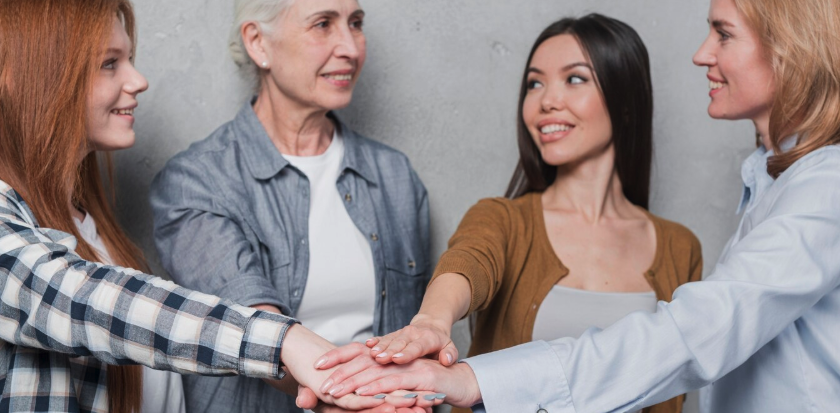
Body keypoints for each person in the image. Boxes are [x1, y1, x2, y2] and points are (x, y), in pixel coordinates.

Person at [309, 0, 840, 411]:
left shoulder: (814, 192)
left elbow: (692, 338)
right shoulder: (769, 183)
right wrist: (430, 323)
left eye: (723, 34)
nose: (702, 53)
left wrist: (473, 378)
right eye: (534, 83)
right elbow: (470, 261)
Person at [0, 0, 437, 412]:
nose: (139, 80)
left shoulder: (88, 226)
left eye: (356, 23)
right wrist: (292, 346)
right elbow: (80, 298)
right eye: (109, 63)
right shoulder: (194, 181)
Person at [148, 0, 430, 412]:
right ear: (258, 43)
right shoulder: (196, 181)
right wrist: (357, 401)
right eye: (322, 24)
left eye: (356, 23)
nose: (350, 48)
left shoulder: (395, 176)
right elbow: (256, 326)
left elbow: (413, 340)